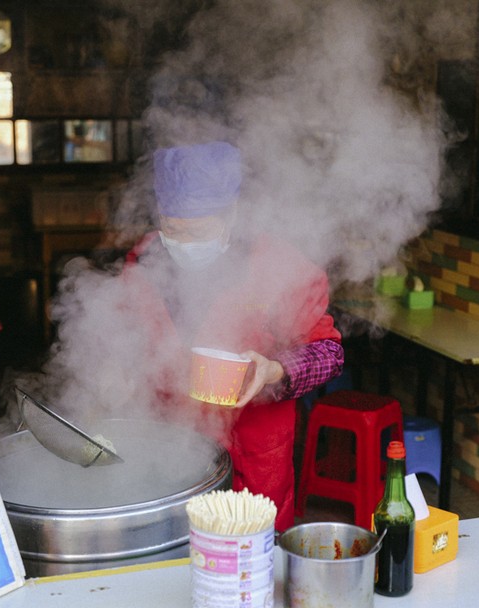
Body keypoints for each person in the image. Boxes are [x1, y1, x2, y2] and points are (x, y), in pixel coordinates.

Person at [122, 141, 344, 531]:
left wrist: (275, 370)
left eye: (198, 230)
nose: (183, 242)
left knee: (250, 572)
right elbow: (122, 338)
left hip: (252, 464)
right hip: (168, 455)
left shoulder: (280, 267)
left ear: (231, 215)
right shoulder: (144, 263)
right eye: (173, 228)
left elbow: (330, 354)